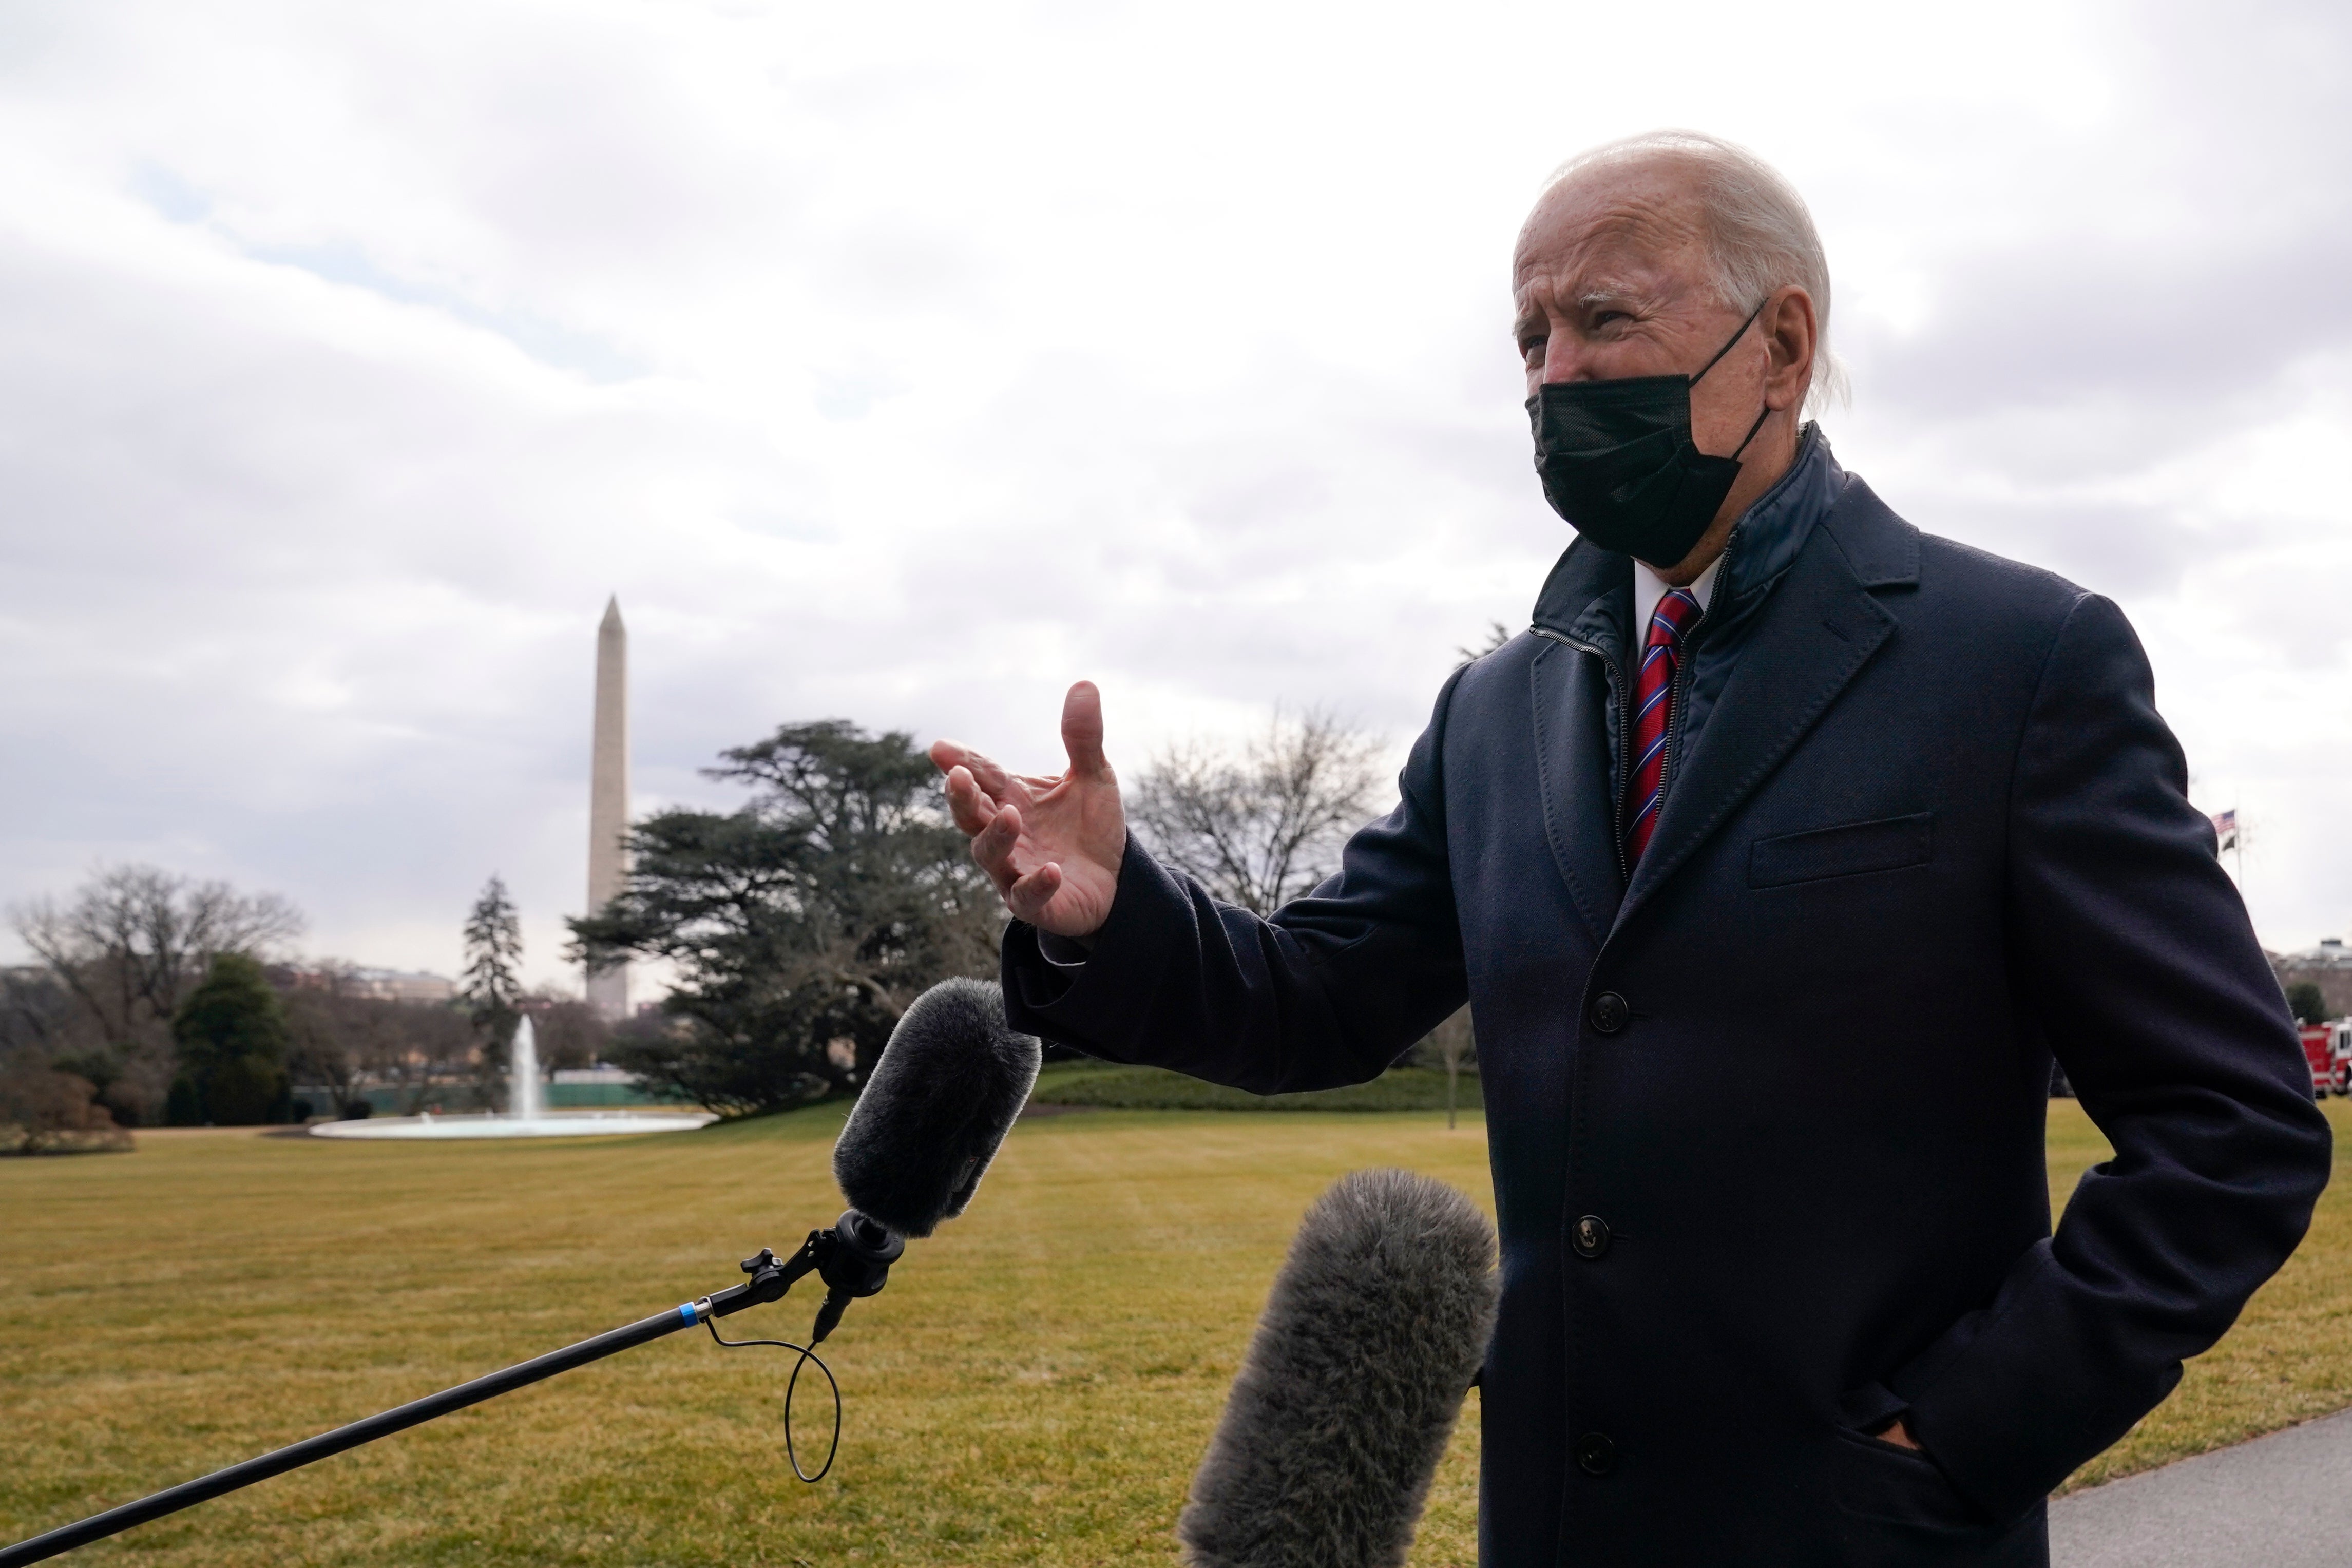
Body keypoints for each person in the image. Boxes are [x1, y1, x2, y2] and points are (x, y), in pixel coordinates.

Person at [929, 131, 2331, 1566]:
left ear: (1780, 343)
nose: (1553, 375)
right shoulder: (1496, 707)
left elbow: (2234, 1130)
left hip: (1862, 1535)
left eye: (1604, 319)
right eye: (1529, 338)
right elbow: (1320, 996)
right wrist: (1109, 915)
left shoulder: (2020, 663)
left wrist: (1961, 1435)